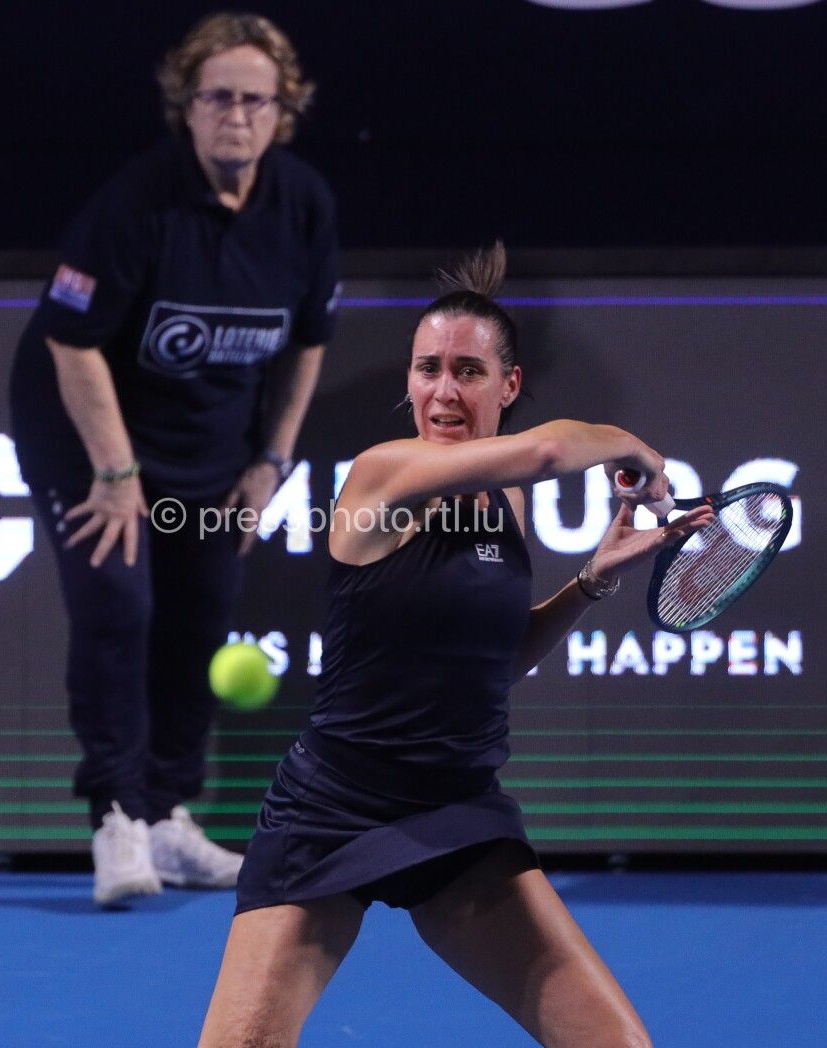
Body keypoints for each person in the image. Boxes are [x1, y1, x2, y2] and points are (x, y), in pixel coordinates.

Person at [198, 243, 712, 1048]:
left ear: (508, 384)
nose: (442, 391)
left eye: (468, 371)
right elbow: (550, 450)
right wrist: (627, 444)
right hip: (333, 812)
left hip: (457, 814)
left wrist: (590, 583)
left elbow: (498, 663)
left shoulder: (505, 500)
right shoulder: (381, 474)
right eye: (427, 368)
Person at [7, 12, 339, 907]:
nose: (237, 115)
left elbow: (308, 342)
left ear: (283, 112)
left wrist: (272, 460)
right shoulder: (135, 205)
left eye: (256, 101)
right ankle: (117, 819)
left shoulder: (304, 205)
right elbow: (72, 343)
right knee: (119, 604)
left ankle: (165, 816)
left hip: (210, 442)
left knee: (200, 613)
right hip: (84, 434)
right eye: (218, 97)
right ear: (186, 107)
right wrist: (116, 477)